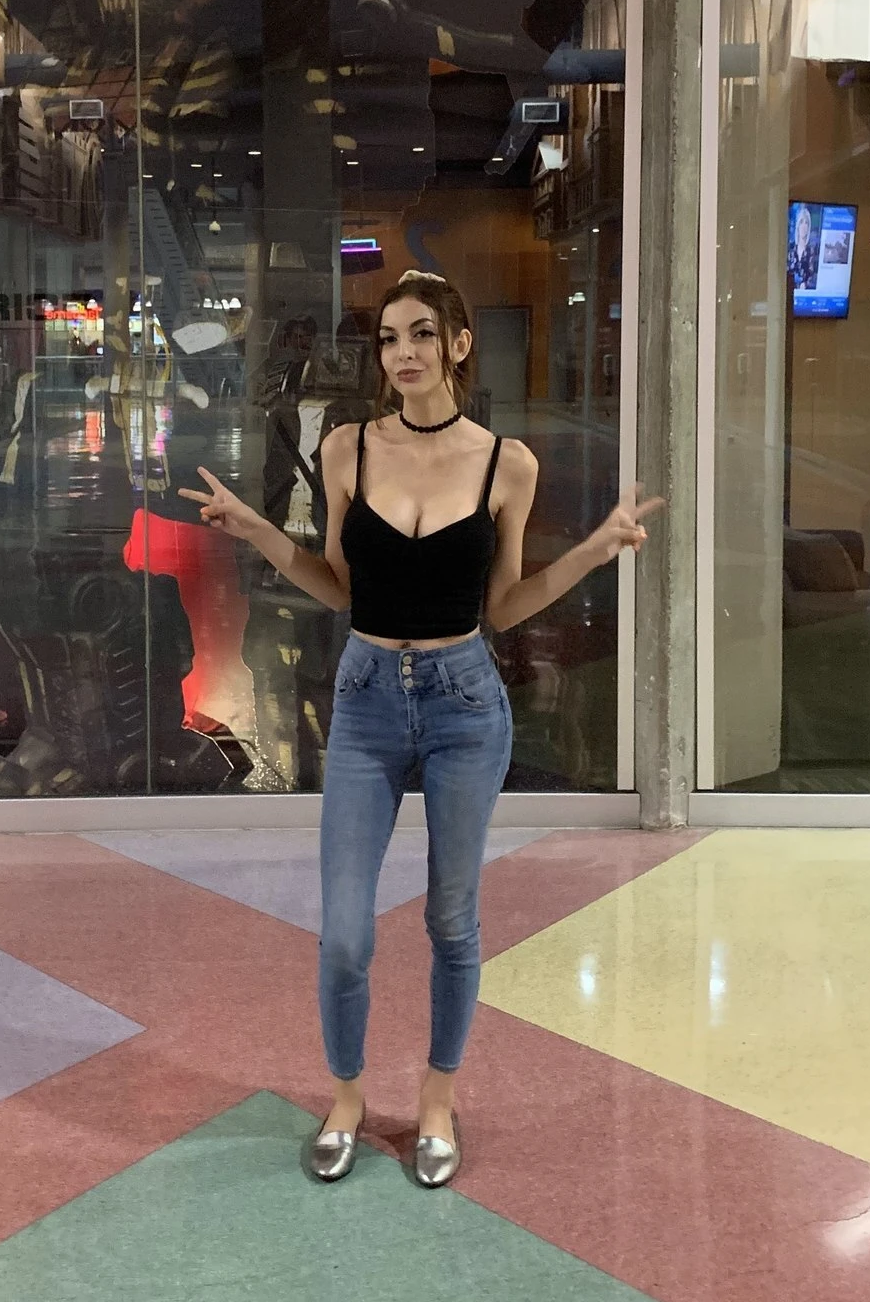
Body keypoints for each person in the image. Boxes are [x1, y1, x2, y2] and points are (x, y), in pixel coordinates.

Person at [180, 270, 660, 1189]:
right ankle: (348, 1098)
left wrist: (595, 552)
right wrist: (255, 532)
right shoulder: (348, 448)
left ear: (459, 345)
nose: (403, 353)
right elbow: (337, 587)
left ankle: (437, 1100)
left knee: (451, 917)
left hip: (463, 702)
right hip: (366, 697)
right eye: (390, 338)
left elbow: (505, 607)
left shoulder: (506, 463)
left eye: (423, 334)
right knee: (345, 931)